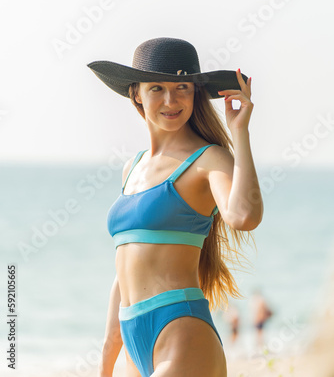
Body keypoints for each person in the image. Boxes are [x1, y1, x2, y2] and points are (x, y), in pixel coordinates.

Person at [87, 37, 264, 377]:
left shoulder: (208, 159)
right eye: (157, 88)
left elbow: (243, 216)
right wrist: (108, 353)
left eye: (182, 86)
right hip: (133, 337)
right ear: (135, 93)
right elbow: (126, 264)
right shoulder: (132, 168)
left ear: (196, 92)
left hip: (180, 328)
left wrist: (239, 132)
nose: (171, 100)